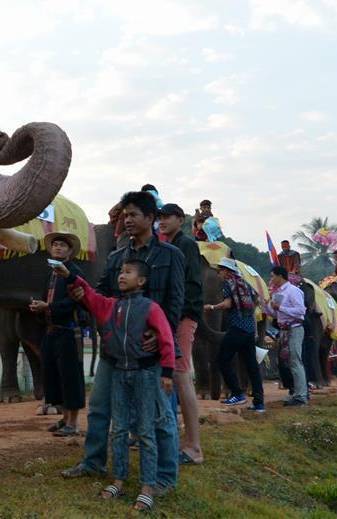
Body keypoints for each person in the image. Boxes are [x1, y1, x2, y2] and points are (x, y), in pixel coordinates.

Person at [62, 190, 184, 499]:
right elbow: (103, 293)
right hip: (115, 349)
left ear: (150, 218)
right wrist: (85, 298)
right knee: (101, 408)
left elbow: (177, 302)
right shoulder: (117, 257)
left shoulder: (171, 256)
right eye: (124, 215)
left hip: (151, 353)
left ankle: (165, 478)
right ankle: (93, 462)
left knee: (159, 416)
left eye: (133, 215)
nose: (126, 220)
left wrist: (161, 334)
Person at [53, 258, 175, 513]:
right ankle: (118, 481)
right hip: (119, 373)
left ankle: (148, 487)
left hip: (143, 374)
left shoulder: (151, 308)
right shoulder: (110, 306)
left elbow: (165, 338)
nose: (121, 276)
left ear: (141, 281)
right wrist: (70, 276)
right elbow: (89, 294)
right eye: (120, 272)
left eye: (128, 272)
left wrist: (167, 371)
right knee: (119, 429)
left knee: (145, 431)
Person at [157, 203, 205, 464]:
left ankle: (194, 447)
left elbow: (191, 284)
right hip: (172, 316)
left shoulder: (185, 245)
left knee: (181, 374)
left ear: (180, 220)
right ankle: (177, 439)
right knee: (172, 373)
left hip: (182, 316)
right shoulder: (169, 245)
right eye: (159, 217)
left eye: (166, 217)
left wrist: (177, 316)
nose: (161, 221)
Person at [29, 232, 86, 437]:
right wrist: (39, 306)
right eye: (55, 245)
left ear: (70, 251)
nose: (58, 248)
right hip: (51, 332)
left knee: (71, 377)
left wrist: (48, 306)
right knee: (55, 376)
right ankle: (64, 419)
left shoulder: (74, 272)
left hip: (69, 332)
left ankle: (73, 422)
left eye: (62, 245)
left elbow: (76, 301)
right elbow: (47, 299)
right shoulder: (51, 274)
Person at [207, 258, 265, 412]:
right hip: (249, 330)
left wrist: (211, 307)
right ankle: (259, 403)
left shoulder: (228, 283)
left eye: (220, 270)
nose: (219, 273)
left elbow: (227, 304)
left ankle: (237, 393)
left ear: (226, 270)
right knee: (252, 365)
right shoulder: (245, 284)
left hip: (237, 327)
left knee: (222, 359)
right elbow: (255, 303)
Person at [265, 266, 308, 406]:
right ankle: (297, 392)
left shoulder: (293, 291)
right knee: (290, 363)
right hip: (284, 330)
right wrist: (266, 307)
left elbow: (300, 311)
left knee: (296, 361)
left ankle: (301, 395)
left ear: (280, 276)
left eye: (273, 276)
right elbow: (277, 315)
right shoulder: (279, 292)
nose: (271, 279)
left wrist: (280, 308)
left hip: (294, 329)